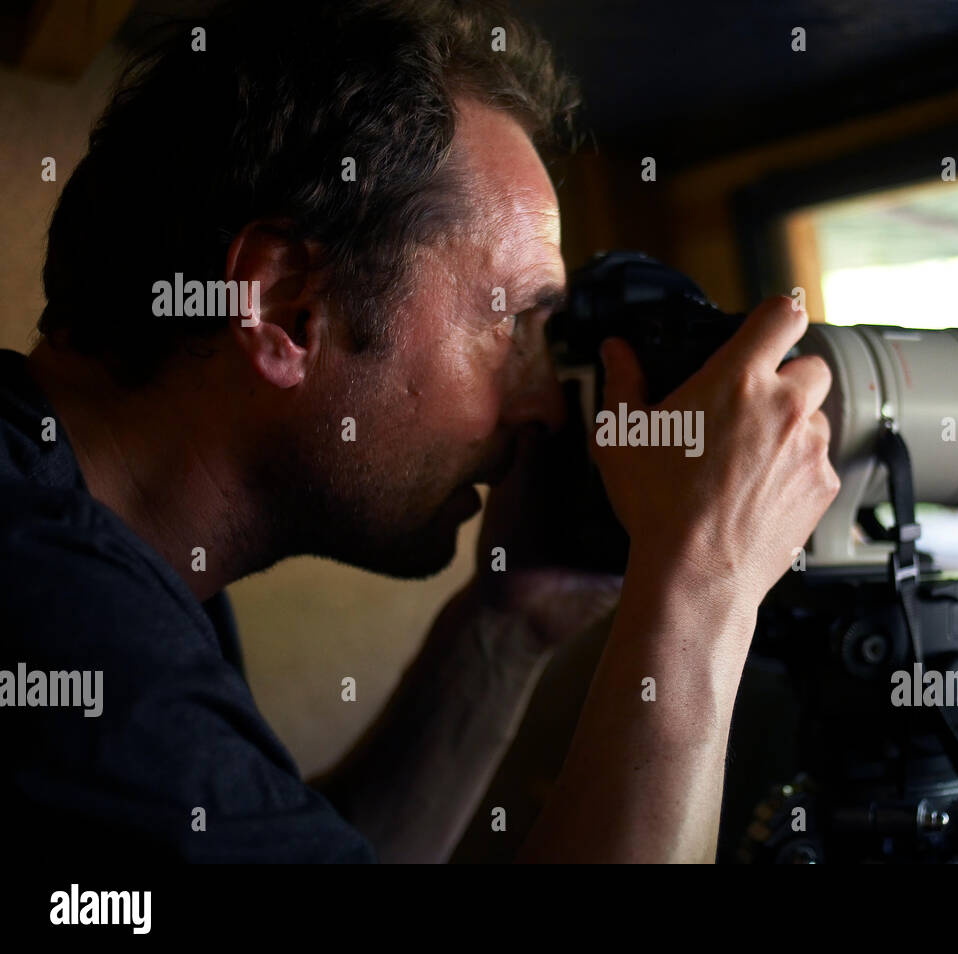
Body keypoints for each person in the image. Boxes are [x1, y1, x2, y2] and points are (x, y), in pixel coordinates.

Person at [0, 0, 838, 863]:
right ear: (284, 307)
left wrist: (506, 631)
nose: (544, 407)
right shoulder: (61, 626)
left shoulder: (88, 542)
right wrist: (707, 581)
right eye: (515, 325)